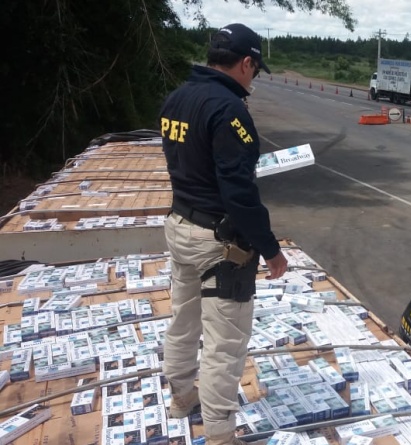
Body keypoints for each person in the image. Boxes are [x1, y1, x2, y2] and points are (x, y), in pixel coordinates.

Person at [159, 23, 288, 445]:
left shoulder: (177, 99)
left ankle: (180, 398)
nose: (254, 79)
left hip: (179, 225)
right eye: (255, 69)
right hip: (217, 242)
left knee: (182, 319)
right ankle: (219, 436)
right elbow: (239, 193)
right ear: (246, 62)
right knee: (224, 344)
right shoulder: (230, 110)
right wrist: (271, 251)